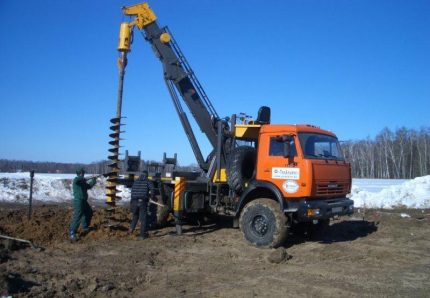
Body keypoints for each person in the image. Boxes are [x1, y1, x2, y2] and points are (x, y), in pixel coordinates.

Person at [69, 168, 97, 242]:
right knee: (78, 216)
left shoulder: (83, 182)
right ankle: (72, 232)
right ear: (80, 173)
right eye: (83, 173)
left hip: (84, 201)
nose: (84, 174)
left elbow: (89, 186)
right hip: (78, 201)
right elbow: (79, 179)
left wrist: (94, 179)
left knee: (89, 212)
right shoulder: (76, 180)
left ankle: (85, 227)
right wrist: (86, 178)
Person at [130, 170, 154, 240]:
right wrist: (151, 197)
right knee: (143, 219)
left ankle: (131, 230)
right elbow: (152, 189)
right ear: (147, 175)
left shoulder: (136, 181)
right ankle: (142, 235)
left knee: (135, 216)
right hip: (142, 201)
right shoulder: (147, 181)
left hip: (134, 201)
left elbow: (132, 191)